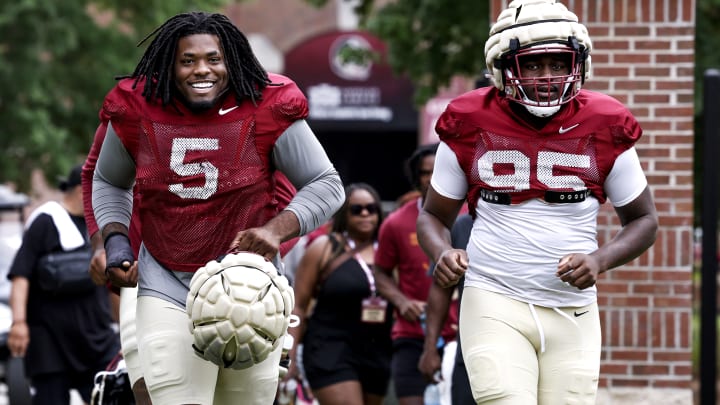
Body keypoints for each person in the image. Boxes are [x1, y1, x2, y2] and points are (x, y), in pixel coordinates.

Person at [90, 11, 344, 405]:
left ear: (233, 61)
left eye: (213, 59)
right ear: (168, 66)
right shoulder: (139, 109)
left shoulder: (266, 105)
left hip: (248, 283)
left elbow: (327, 184)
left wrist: (275, 231)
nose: (200, 70)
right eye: (187, 60)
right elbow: (107, 179)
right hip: (166, 280)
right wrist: (115, 237)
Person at [416, 1, 659, 404]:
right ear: (503, 66)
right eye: (532, 65)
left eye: (558, 63)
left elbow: (644, 220)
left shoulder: (605, 123)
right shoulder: (469, 121)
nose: (547, 77)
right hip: (494, 295)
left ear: (577, 64)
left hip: (572, 308)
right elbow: (432, 215)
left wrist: (599, 259)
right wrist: (441, 252)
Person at [7, 164, 121, 405]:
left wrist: (124, 326)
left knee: (112, 398)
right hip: (50, 342)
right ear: (83, 190)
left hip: (96, 340)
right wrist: (18, 323)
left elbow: (112, 281)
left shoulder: (101, 228)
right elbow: (21, 274)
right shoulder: (46, 221)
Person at [286, 183, 393, 405]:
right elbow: (298, 305)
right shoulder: (324, 247)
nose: (365, 214)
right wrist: (290, 354)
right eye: (356, 209)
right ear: (344, 214)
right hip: (330, 348)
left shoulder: (388, 249)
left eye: (371, 208)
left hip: (377, 350)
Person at [373, 143, 459, 405]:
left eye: (438, 171)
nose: (433, 178)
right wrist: (401, 301)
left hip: (460, 335)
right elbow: (380, 272)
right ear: (416, 178)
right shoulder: (395, 222)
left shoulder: (470, 218)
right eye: (425, 173)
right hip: (412, 335)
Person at [417, 213, 473, 405]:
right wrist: (430, 347)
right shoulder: (464, 225)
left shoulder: (558, 221)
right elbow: (440, 289)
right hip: (469, 354)